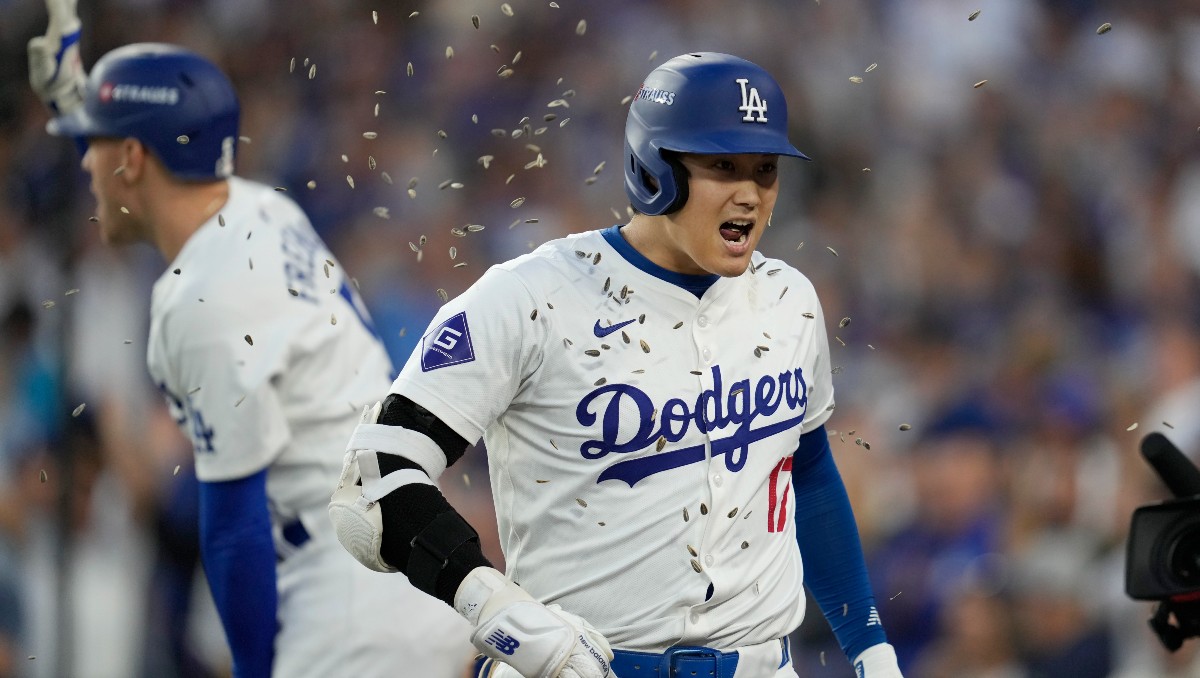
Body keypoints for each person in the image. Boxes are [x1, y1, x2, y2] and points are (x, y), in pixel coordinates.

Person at [329, 52, 905, 678]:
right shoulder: (532, 297)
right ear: (656, 170)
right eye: (722, 166)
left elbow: (807, 469)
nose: (750, 193)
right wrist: (495, 609)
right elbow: (373, 482)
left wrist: (870, 648)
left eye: (765, 169)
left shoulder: (789, 298)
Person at [28, 3, 474, 675]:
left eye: (94, 146)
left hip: (347, 615)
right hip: (413, 578)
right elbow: (153, 172)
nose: (84, 167)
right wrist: (85, 98)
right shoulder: (263, 209)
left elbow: (233, 530)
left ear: (132, 157)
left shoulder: (198, 300)